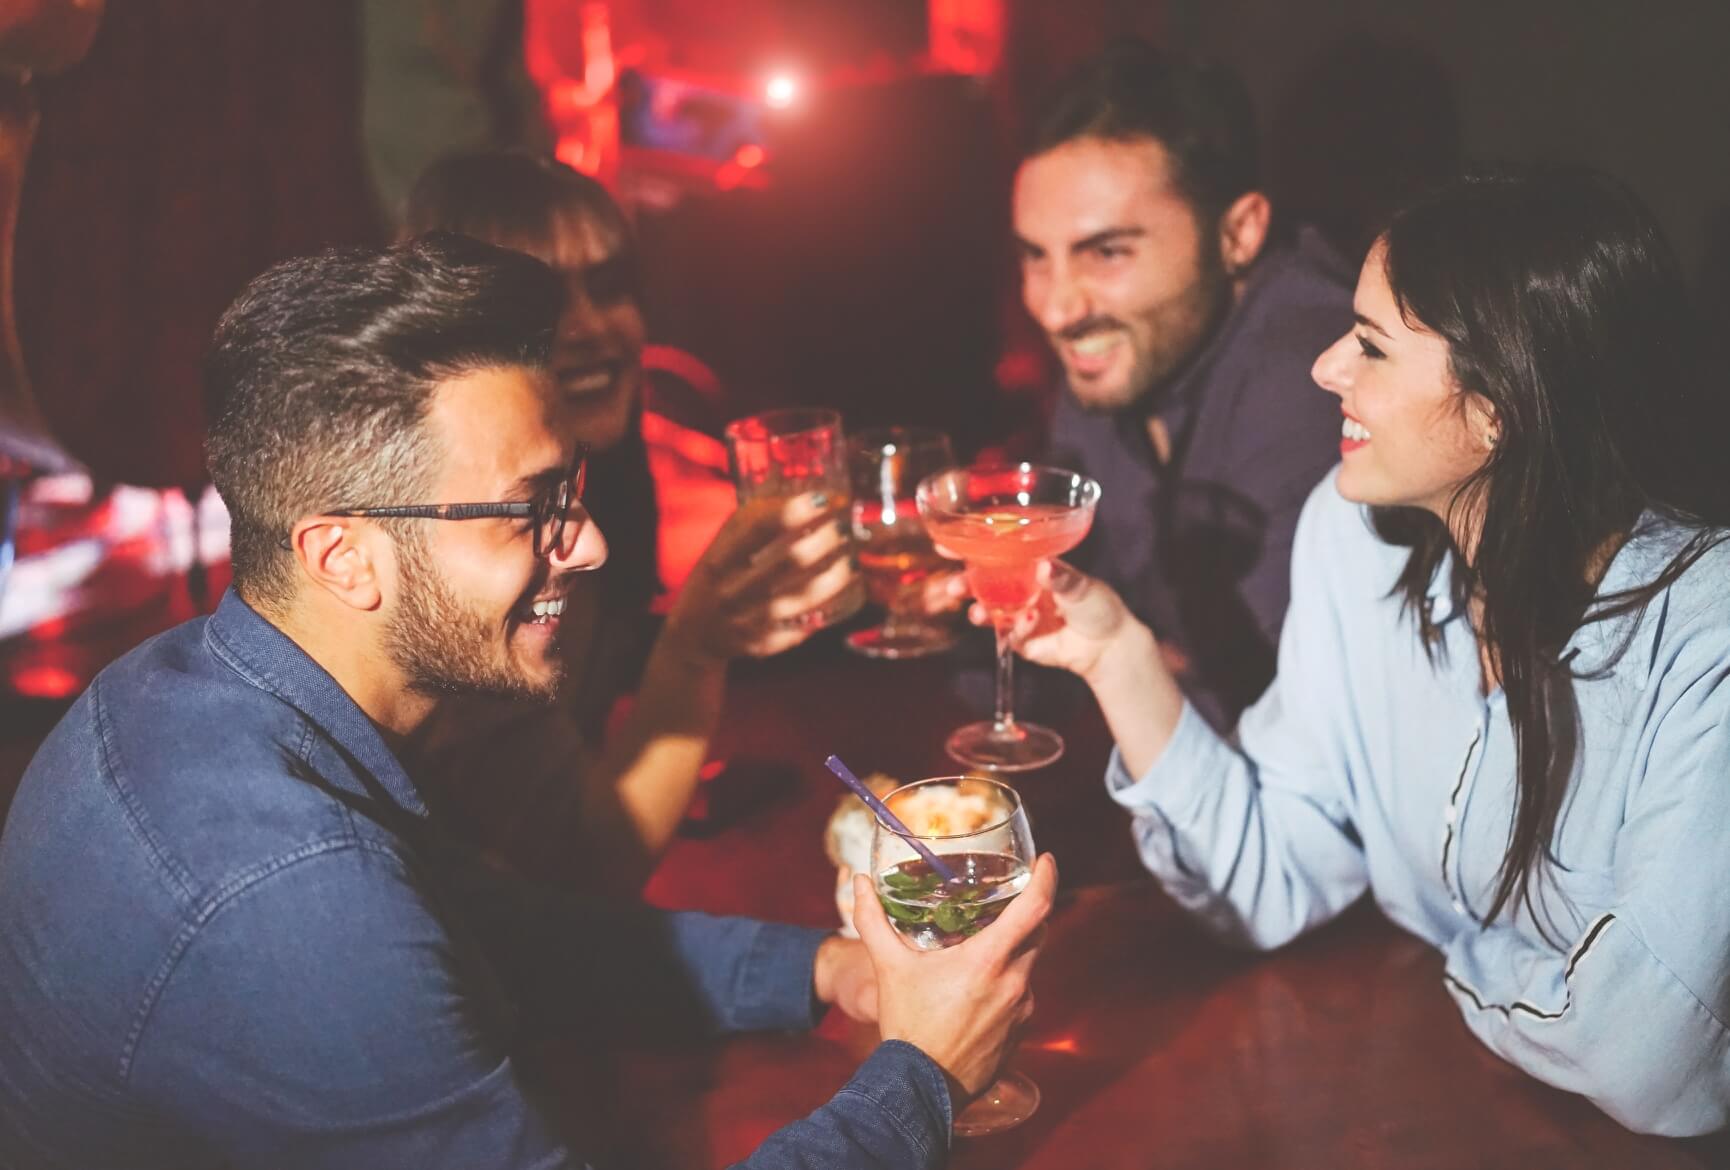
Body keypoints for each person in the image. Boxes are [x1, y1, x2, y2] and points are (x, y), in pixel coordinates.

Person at [0, 235, 1057, 1165]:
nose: (585, 545)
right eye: (531, 510)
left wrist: (826, 972)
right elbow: (373, 934)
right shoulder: (292, 898)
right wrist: (921, 1074)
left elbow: (493, 931)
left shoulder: (179, 690)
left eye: (576, 494)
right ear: (343, 555)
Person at [988, 169, 1730, 1134]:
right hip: (1461, 1115)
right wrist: (1116, 656)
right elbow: (1269, 880)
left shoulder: (1705, 632)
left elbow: (1641, 1060)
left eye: (1371, 346)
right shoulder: (1353, 544)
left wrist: (1448, 951)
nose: (1325, 366)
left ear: (1498, 408)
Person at [398, 150, 828, 893]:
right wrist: (694, 648)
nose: (591, 328)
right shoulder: (460, 562)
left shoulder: (576, 494)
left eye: (608, 287)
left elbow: (611, 655)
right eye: (543, 305)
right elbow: (587, 867)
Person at [1012, 40, 1350, 729]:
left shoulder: (1316, 379)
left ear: (1239, 232)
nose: (1055, 309)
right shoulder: (1129, 349)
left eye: (1106, 252)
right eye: (1035, 257)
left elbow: (1285, 717)